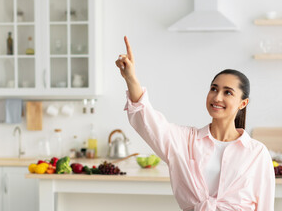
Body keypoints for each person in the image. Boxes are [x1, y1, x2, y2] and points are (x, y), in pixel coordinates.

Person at [115, 36, 275, 211]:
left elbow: (265, 206)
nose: (217, 97)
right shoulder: (185, 141)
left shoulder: (257, 153)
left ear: (242, 103)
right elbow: (147, 120)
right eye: (214, 89)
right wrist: (131, 78)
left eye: (228, 92)